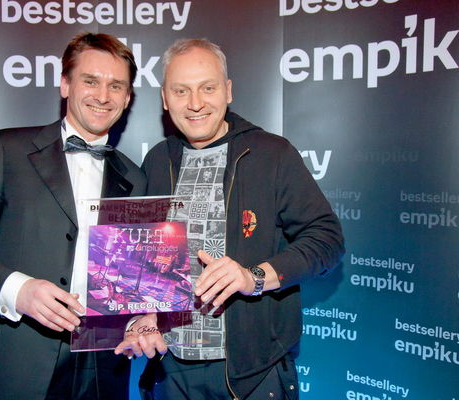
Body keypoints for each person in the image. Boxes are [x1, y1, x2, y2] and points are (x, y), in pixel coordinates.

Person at [121, 38, 344, 399]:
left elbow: (327, 240)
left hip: (251, 373)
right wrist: (142, 316)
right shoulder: (157, 161)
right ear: (164, 98)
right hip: (170, 369)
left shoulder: (271, 154)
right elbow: (141, 260)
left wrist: (253, 277)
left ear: (228, 91)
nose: (195, 103)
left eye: (207, 88)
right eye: (181, 91)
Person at [0, 33, 145, 400]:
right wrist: (19, 290)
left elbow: (135, 274)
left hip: (105, 366)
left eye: (116, 86)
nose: (103, 96)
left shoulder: (135, 177)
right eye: (90, 81)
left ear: (127, 98)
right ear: (65, 84)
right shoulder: (9, 150)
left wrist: (143, 318)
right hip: (21, 359)